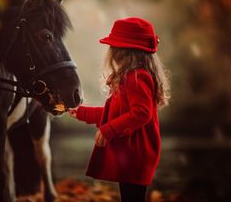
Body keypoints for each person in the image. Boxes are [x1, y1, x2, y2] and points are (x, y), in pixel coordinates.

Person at [68, 17, 170, 202]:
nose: (110, 51)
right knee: (130, 196)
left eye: (113, 46)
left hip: (136, 152)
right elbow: (115, 114)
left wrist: (109, 131)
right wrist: (81, 112)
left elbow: (141, 113)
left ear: (122, 52)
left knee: (132, 197)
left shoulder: (137, 78)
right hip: (132, 152)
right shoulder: (132, 77)